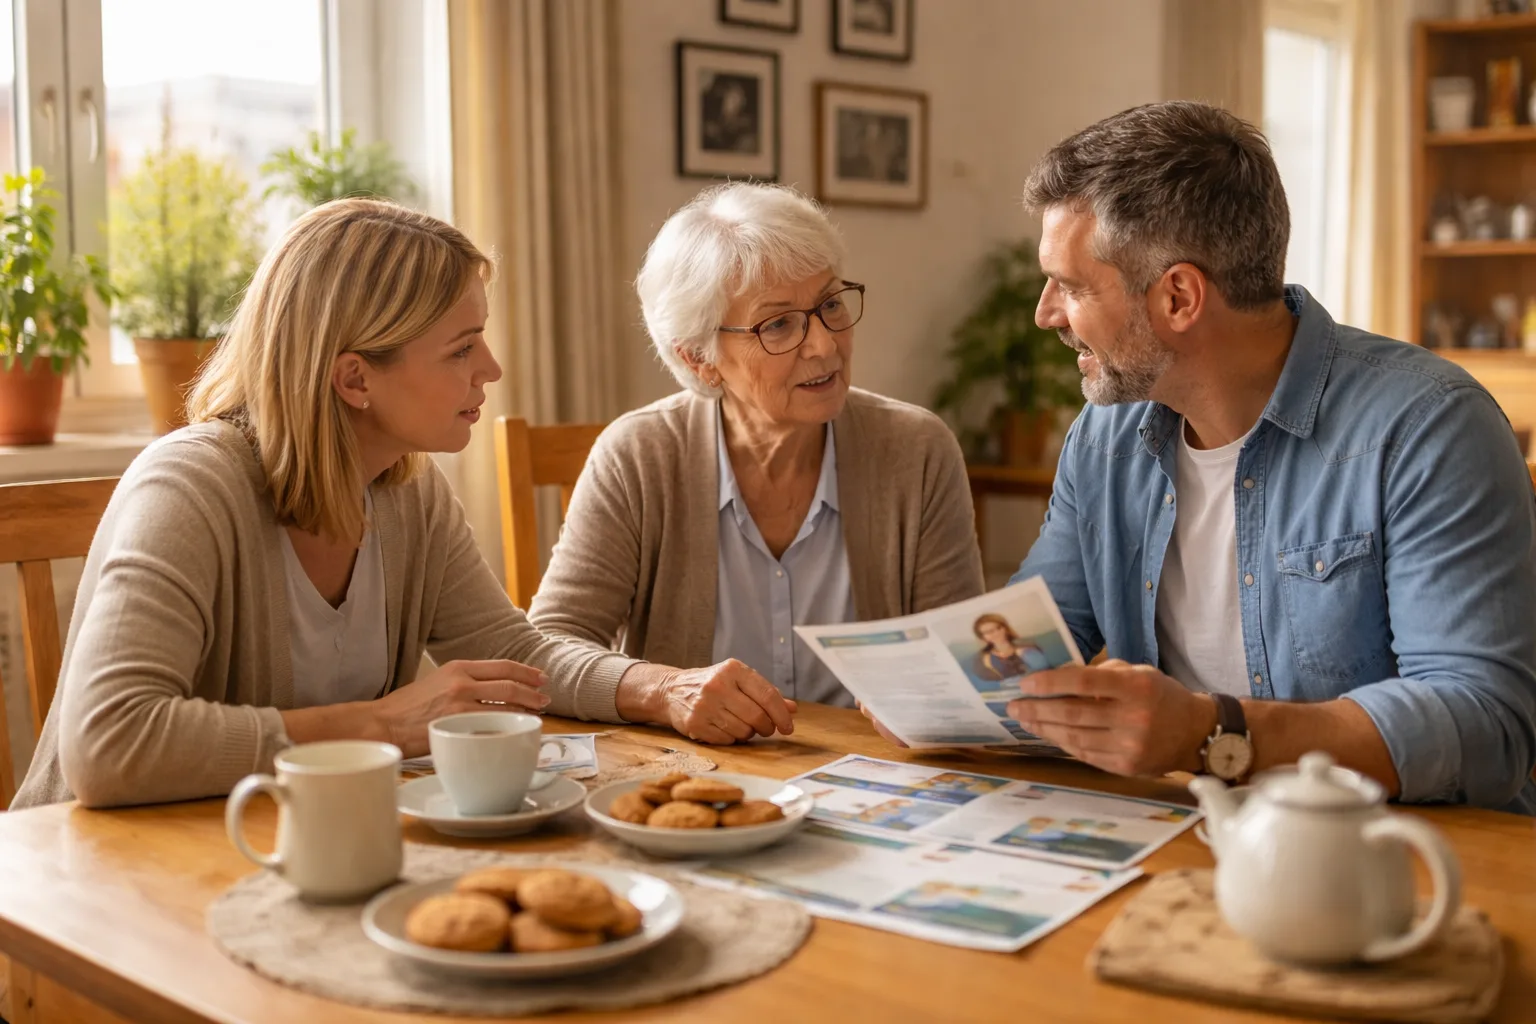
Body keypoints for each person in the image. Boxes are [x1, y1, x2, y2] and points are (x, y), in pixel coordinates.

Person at [995, 101, 1535, 812]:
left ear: (1178, 297)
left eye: (1070, 285)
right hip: (1191, 836)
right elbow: (1025, 649)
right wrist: (926, 693)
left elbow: (1486, 724)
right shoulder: (1104, 440)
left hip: (1399, 853)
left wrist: (1213, 734)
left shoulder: (1428, 427)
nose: (1046, 313)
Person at [11, 199, 636, 809]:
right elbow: (110, 743)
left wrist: (661, 688)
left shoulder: (409, 492)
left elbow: (515, 656)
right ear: (355, 378)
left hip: (282, 841)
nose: (491, 369)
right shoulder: (188, 487)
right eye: (462, 349)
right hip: (104, 865)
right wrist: (383, 725)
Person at [528, 182, 985, 745]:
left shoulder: (916, 451)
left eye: (830, 305)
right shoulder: (639, 456)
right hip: (698, 771)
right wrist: (664, 690)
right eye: (778, 325)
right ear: (699, 358)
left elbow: (963, 659)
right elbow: (546, 650)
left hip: (877, 770)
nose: (824, 345)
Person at [970, 614, 1048, 682]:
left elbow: (1044, 670)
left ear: (1006, 628)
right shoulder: (983, 659)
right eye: (989, 632)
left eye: (999, 628)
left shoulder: (1028, 647)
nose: (997, 633)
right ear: (982, 637)